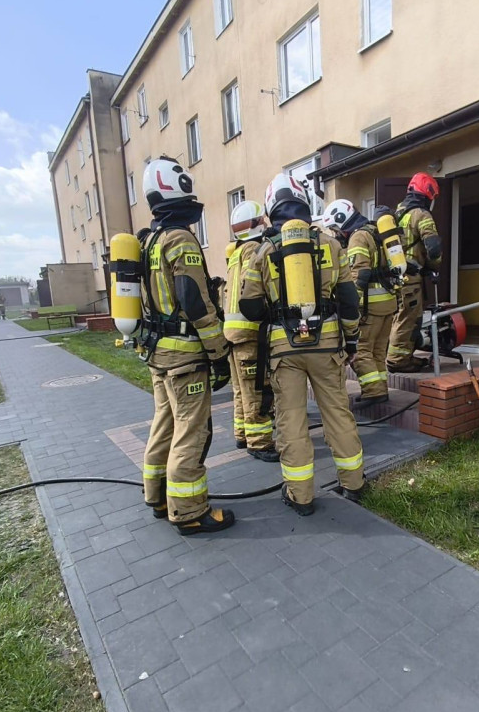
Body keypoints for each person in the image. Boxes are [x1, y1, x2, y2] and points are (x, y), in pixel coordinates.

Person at [239, 174, 366, 516]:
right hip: (327, 345)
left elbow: (248, 306)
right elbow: (349, 300)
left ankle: (301, 496)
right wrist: (351, 338)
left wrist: (275, 310)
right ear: (306, 204)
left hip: (285, 350)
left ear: (270, 208)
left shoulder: (264, 250)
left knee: (291, 420)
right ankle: (353, 484)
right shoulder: (331, 244)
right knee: (337, 413)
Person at [138, 156, 234, 535]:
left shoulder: (149, 241)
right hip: (185, 358)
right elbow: (194, 301)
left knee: (164, 424)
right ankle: (190, 511)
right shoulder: (179, 238)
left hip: (158, 355)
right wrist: (219, 354)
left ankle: (158, 497)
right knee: (192, 432)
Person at [323, 199, 397, 406]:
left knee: (362, 350)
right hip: (388, 302)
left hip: (370, 306)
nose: (336, 233)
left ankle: (373, 392)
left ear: (342, 219)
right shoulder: (375, 231)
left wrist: (352, 304)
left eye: (335, 228)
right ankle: (380, 389)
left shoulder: (358, 237)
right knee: (378, 351)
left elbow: (360, 274)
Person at [223, 200, 278, 461]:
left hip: (233, 334)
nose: (266, 223)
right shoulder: (257, 249)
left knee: (240, 389)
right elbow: (258, 291)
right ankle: (259, 443)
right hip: (249, 333)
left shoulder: (236, 252)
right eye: (262, 220)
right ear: (255, 225)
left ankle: (242, 433)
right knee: (258, 389)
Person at [387, 172, 442, 373]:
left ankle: (403, 356)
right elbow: (434, 247)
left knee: (398, 317)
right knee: (408, 318)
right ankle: (397, 360)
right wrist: (432, 267)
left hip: (394, 276)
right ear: (428, 194)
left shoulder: (396, 214)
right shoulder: (421, 214)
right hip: (410, 278)